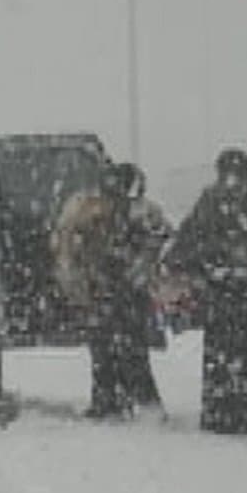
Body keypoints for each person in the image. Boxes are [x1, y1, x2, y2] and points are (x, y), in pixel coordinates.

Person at [160, 147, 247, 433]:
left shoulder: (211, 204)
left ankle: (226, 411)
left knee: (228, 357)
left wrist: (202, 270)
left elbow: (183, 248)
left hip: (229, 301)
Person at [53, 162, 172, 420]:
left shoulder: (92, 210)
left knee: (112, 349)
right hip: (114, 290)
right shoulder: (133, 211)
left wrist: (80, 282)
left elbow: (68, 244)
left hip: (110, 290)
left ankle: (114, 401)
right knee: (122, 348)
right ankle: (131, 401)